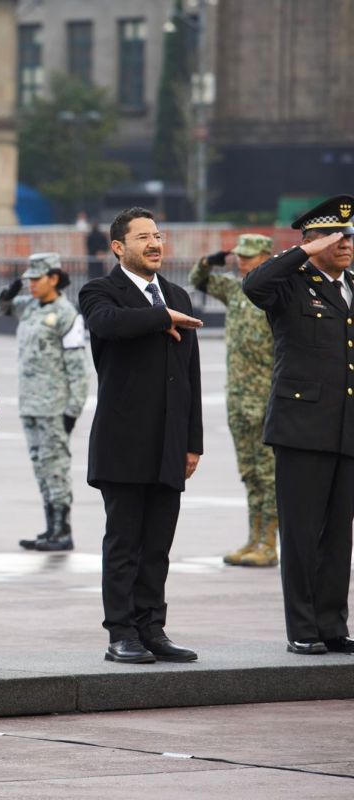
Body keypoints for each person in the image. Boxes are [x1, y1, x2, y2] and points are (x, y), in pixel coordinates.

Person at [78, 207, 203, 665]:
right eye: (144, 237)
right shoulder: (99, 291)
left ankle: (152, 628)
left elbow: (191, 375)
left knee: (157, 546)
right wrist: (158, 316)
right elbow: (106, 325)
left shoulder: (177, 295)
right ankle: (121, 633)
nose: (155, 244)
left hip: (169, 443)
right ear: (118, 247)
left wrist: (194, 442)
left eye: (158, 236)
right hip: (122, 443)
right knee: (124, 543)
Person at [242, 195, 354, 656]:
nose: (346, 243)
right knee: (303, 532)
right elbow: (254, 285)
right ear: (311, 241)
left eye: (349, 235)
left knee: (339, 537)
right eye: (335, 236)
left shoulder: (351, 286)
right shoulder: (290, 283)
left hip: (347, 429)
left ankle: (333, 624)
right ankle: (303, 627)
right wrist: (300, 253)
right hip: (301, 427)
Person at [188, 234, 277, 567]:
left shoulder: (276, 292)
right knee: (250, 473)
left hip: (267, 398)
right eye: (239, 255)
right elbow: (197, 281)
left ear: (267, 257)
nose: (242, 261)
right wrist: (210, 262)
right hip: (238, 398)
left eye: (249, 256)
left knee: (269, 475)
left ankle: (269, 542)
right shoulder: (234, 290)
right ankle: (253, 537)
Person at [0, 253, 89, 552]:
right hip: (30, 404)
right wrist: (7, 293)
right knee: (39, 466)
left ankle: (63, 530)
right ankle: (50, 528)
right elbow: (3, 308)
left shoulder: (67, 315)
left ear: (54, 278)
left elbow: (78, 367)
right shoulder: (31, 307)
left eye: (37, 279)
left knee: (56, 467)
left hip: (54, 407)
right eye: (29, 280)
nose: (32, 285)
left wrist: (72, 410)